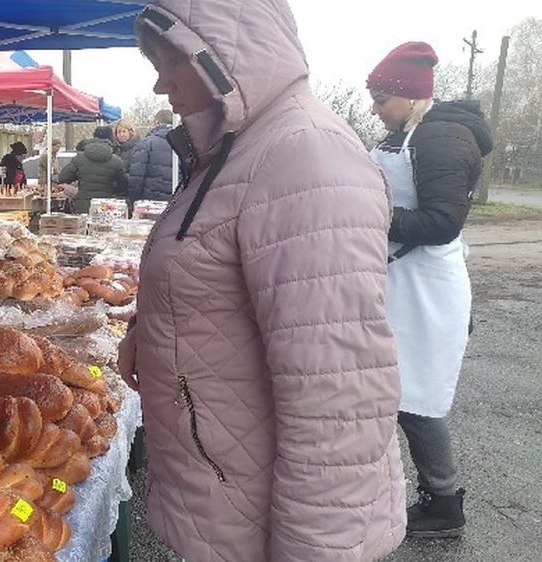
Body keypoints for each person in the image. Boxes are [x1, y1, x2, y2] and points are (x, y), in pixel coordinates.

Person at [116, 2, 406, 560]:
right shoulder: (234, 149)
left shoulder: (305, 155)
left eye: (169, 58)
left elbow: (338, 398)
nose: (159, 84)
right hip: (227, 494)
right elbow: (216, 280)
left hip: (257, 513)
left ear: (223, 51)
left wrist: (313, 552)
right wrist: (150, 330)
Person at [367, 41, 493, 538]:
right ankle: (400, 493)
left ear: (409, 95)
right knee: (390, 392)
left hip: (428, 287)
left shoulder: (442, 137)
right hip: (401, 276)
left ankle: (445, 504)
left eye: (381, 99)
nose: (377, 110)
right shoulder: (406, 133)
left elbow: (442, 221)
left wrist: (368, 217)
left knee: (417, 399)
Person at [58, 126, 128, 213]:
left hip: (83, 207)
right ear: (111, 139)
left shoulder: (79, 158)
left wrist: (79, 176)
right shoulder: (116, 161)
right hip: (106, 208)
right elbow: (124, 186)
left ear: (94, 137)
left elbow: (63, 178)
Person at [127, 108, 175, 203]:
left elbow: (136, 177)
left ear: (156, 122)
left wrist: (133, 201)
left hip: (149, 200)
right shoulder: (184, 143)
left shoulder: (146, 143)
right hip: (175, 202)